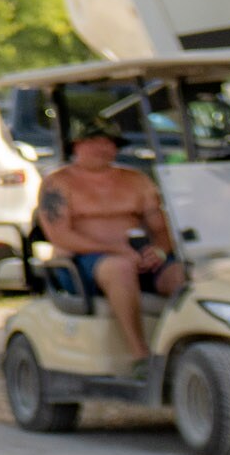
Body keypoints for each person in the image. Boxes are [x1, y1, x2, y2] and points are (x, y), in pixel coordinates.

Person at [38, 130, 186, 362]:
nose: (102, 148)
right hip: (83, 263)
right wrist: (116, 249)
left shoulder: (137, 180)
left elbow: (162, 228)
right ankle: (140, 356)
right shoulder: (57, 183)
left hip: (140, 256)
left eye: (109, 142)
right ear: (76, 145)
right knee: (120, 268)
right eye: (94, 141)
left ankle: (183, 348)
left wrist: (158, 250)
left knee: (182, 274)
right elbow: (60, 236)